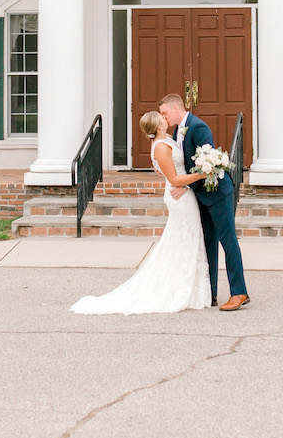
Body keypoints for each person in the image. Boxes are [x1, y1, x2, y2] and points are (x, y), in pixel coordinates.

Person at [70, 110, 211, 315]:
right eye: (162, 117)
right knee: (183, 239)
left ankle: (191, 287)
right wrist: (201, 174)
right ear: (158, 126)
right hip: (178, 196)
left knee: (185, 239)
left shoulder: (168, 140)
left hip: (184, 194)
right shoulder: (161, 147)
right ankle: (180, 288)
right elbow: (174, 180)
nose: (165, 118)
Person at [159, 93, 249, 311]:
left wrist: (185, 185)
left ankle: (239, 292)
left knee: (228, 241)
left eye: (164, 113)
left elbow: (207, 164)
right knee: (207, 242)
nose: (163, 117)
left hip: (218, 193)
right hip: (201, 196)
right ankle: (211, 293)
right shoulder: (176, 131)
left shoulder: (198, 127)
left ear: (176, 109)